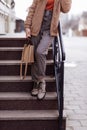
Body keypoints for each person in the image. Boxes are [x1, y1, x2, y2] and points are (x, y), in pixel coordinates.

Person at [24, 0, 72, 100]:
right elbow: (32, 9)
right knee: (35, 55)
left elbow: (66, 9)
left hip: (49, 30)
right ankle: (35, 83)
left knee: (40, 52)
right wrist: (27, 26)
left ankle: (42, 82)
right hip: (36, 27)